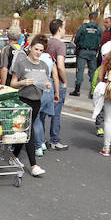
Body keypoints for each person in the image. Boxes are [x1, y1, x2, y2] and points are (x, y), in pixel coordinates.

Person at [9, 35, 55, 176]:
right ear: (30, 48)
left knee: (24, 130)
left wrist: (47, 85)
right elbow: (13, 83)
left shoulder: (44, 66)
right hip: (23, 99)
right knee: (29, 131)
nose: (38, 52)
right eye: (36, 49)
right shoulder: (22, 64)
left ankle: (13, 156)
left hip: (37, 101)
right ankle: (33, 165)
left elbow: (45, 83)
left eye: (41, 50)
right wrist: (23, 82)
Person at [44, 19, 69, 150]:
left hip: (44, 80)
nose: (65, 31)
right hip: (56, 82)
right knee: (56, 112)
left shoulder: (46, 42)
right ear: (59, 29)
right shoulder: (60, 45)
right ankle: (54, 139)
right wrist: (64, 81)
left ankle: (40, 140)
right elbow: (60, 66)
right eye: (64, 28)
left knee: (42, 113)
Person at [72, 12, 101, 97]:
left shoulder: (84, 27)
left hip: (82, 51)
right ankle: (92, 92)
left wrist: (78, 45)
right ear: (96, 18)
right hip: (93, 52)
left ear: (89, 17)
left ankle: (77, 90)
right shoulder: (98, 28)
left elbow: (76, 38)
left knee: (80, 71)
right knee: (93, 72)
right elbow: (100, 39)